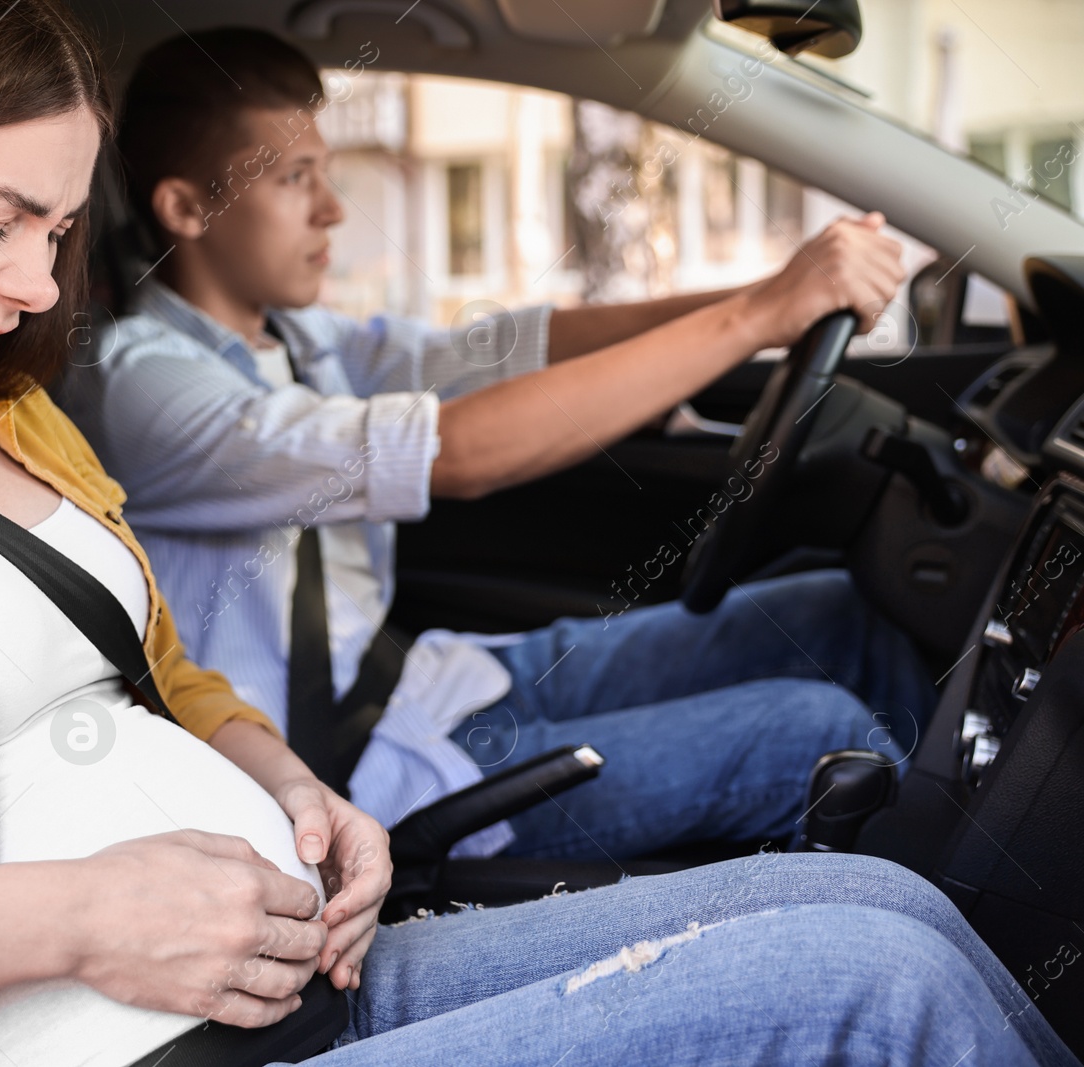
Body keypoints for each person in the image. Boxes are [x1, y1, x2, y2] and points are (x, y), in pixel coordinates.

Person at [0, 3, 1073, 1066]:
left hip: (277, 961)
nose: (40, 287)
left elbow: (159, 674)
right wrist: (81, 912)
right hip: (109, 1036)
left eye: (54, 233)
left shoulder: (4, 404)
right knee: (887, 984)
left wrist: (289, 783)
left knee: (898, 913)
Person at [61, 27, 938, 861]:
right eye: (295, 178)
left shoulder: (298, 337)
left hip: (426, 685)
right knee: (820, 734)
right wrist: (760, 316)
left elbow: (500, 349)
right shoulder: (143, 386)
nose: (333, 208)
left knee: (834, 614)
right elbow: (459, 453)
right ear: (186, 205)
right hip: (351, 780)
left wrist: (766, 298)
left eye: (326, 172)